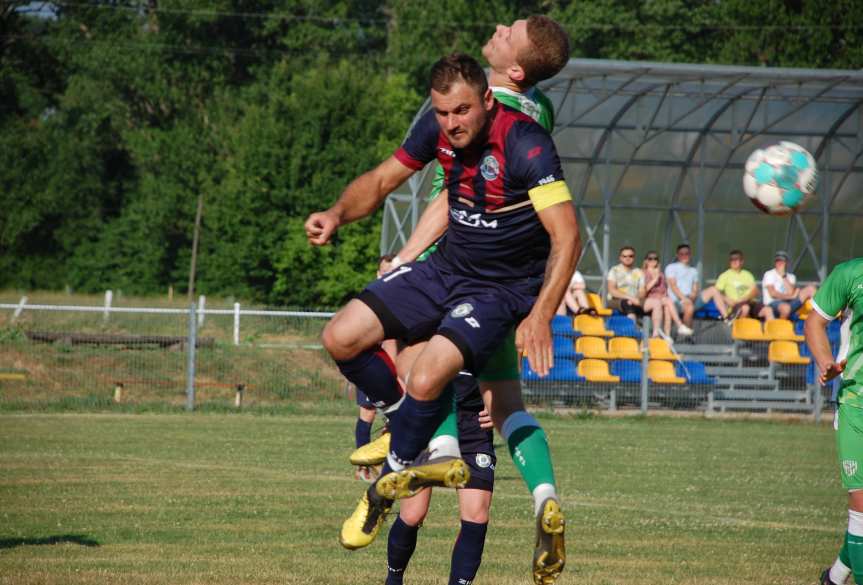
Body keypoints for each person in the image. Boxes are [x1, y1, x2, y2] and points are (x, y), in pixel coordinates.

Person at [304, 53, 579, 585]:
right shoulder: (439, 131)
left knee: (429, 374)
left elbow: (568, 236)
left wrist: (542, 314)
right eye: (442, 113)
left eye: (461, 111)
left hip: (498, 290)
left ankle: (386, 485)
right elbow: (383, 180)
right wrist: (337, 213)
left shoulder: (527, 143)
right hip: (444, 269)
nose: (451, 124)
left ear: (487, 100)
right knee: (339, 337)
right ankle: (401, 425)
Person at [385, 375, 495, 585]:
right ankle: (394, 579)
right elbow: (398, 359)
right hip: (428, 419)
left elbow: (509, 359)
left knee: (477, 516)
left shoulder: (498, 340)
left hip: (474, 425)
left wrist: (498, 401)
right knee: (413, 514)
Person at [804, 257, 862, 585]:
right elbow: (814, 322)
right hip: (857, 402)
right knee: (862, 505)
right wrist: (826, 360)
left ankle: (835, 578)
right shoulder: (850, 274)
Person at [643, 251, 693, 338]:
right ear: (646, 261)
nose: (653, 261)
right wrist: (655, 279)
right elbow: (645, 290)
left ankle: (667, 335)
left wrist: (664, 294)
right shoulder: (643, 273)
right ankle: (679, 325)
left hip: (661, 299)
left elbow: (664, 290)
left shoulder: (661, 274)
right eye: (650, 259)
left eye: (655, 259)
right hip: (649, 299)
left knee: (667, 306)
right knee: (668, 302)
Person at [758, 250, 817, 321]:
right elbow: (773, 294)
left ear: (786, 263)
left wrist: (783, 276)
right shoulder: (769, 274)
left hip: (790, 303)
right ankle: (780, 326)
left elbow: (791, 291)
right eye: (777, 261)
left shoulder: (791, 277)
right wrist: (791, 296)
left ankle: (818, 316)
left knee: (811, 289)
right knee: (786, 308)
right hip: (773, 303)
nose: (780, 263)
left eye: (782, 261)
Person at [703, 249, 757, 320]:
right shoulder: (725, 275)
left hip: (750, 302)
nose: (734, 261)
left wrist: (743, 299)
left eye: (736, 259)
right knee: (745, 308)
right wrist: (726, 298)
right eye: (732, 259)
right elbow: (716, 292)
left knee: (767, 310)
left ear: (742, 261)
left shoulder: (748, 275)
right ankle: (736, 328)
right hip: (734, 306)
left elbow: (755, 291)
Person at [665, 244, 700, 328]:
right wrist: (684, 299)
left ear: (690, 255)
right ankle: (686, 333)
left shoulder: (694, 270)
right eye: (681, 254)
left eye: (687, 253)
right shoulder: (671, 267)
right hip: (676, 300)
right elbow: (673, 286)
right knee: (689, 307)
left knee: (713, 290)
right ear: (677, 255)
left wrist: (693, 296)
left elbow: (695, 288)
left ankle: (728, 318)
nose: (684, 256)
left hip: (690, 298)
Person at [606, 246, 644, 322]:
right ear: (620, 258)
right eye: (624, 256)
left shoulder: (639, 272)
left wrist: (635, 298)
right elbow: (612, 290)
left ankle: (658, 332)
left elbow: (642, 291)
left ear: (634, 257)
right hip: (615, 300)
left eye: (631, 256)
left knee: (654, 305)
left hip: (634, 301)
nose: (627, 258)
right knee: (629, 305)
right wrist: (630, 298)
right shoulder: (614, 270)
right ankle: (631, 330)